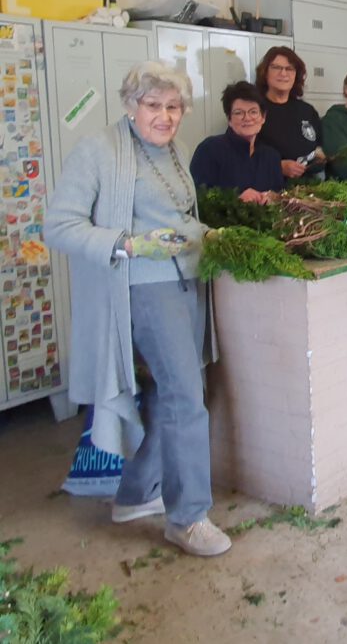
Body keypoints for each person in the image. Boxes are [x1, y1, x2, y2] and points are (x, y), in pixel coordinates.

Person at [44, 61, 231, 557]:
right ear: (131, 105)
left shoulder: (177, 150)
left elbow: (176, 214)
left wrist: (204, 233)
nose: (165, 116)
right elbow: (59, 226)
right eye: (153, 105)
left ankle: (133, 495)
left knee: (172, 397)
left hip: (188, 279)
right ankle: (188, 518)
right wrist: (128, 244)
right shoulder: (99, 150)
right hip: (143, 286)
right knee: (186, 398)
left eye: (174, 107)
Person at [190, 81, 284, 203]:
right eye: (239, 113)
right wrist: (236, 200)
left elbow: (279, 196)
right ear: (229, 119)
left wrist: (271, 198)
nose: (247, 118)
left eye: (253, 112)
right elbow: (197, 198)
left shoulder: (272, 156)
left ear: (263, 117)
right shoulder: (209, 149)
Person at [254, 46, 323, 181]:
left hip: (309, 189)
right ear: (265, 72)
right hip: (269, 188)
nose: (283, 73)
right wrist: (277, 166)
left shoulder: (307, 110)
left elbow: (320, 149)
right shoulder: (254, 110)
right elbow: (239, 155)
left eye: (289, 69)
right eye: (276, 68)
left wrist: (318, 160)